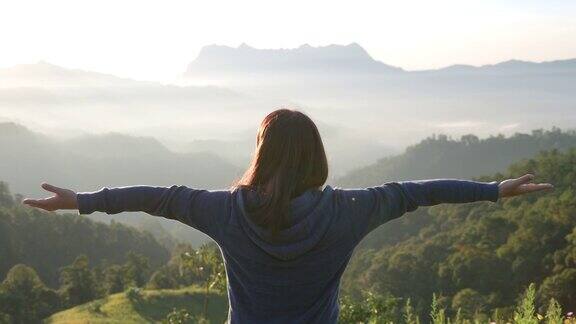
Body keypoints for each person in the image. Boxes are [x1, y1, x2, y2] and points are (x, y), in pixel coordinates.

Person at [22, 109, 553, 323]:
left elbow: (157, 197)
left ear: (262, 155)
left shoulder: (228, 211)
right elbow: (419, 193)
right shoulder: (349, 211)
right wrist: (493, 191)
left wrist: (83, 201)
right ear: (316, 156)